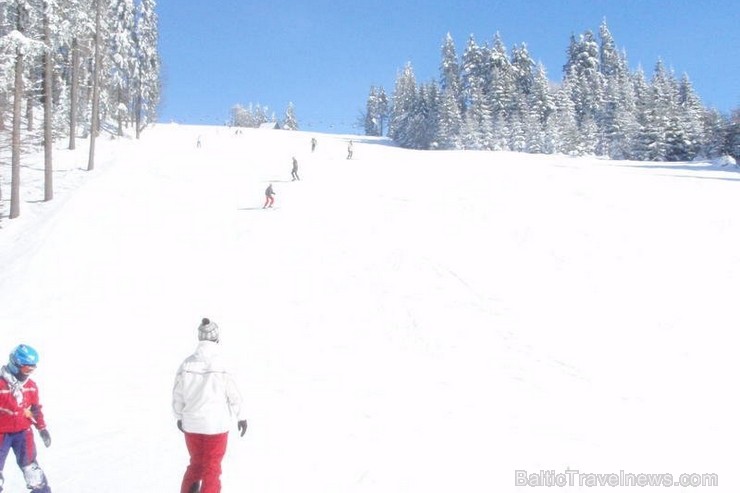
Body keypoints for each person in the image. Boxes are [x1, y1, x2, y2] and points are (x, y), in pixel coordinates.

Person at [173, 318, 247, 493]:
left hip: (192, 425)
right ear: (216, 339)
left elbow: (177, 394)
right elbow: (234, 394)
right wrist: (241, 416)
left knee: (196, 464)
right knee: (212, 469)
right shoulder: (222, 364)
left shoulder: (186, 364)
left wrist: (179, 416)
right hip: (215, 427)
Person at [0, 344, 52, 493]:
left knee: (32, 470)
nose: (28, 373)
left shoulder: (30, 386)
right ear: (15, 364)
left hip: (23, 434)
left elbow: (35, 409)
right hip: (1, 434)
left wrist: (42, 428)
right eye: (26, 369)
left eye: (32, 369)